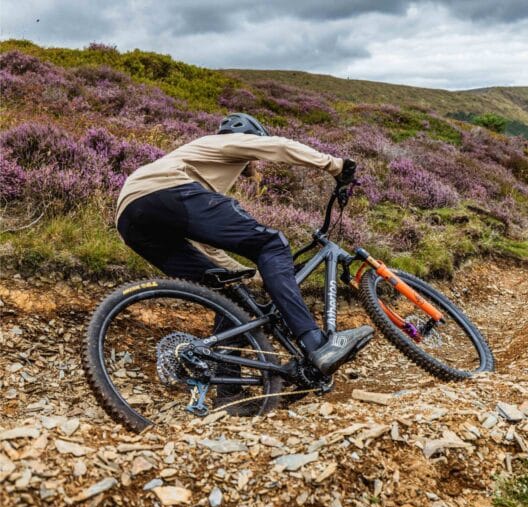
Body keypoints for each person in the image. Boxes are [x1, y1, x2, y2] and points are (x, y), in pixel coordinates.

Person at [115, 112, 373, 413]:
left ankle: (229, 396)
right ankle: (317, 344)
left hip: (130, 220)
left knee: (228, 294)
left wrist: (239, 274)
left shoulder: (198, 165)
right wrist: (335, 166)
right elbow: (280, 147)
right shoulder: (226, 142)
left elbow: (201, 240)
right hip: (165, 193)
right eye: (255, 153)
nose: (255, 162)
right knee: (271, 244)